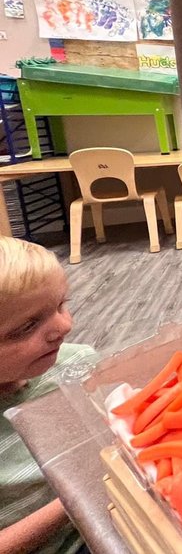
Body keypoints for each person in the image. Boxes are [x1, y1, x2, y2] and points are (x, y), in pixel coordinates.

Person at [0, 237, 94, 554]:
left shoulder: (76, 363)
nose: (65, 325)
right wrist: (80, 494)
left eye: (60, 305)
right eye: (27, 326)